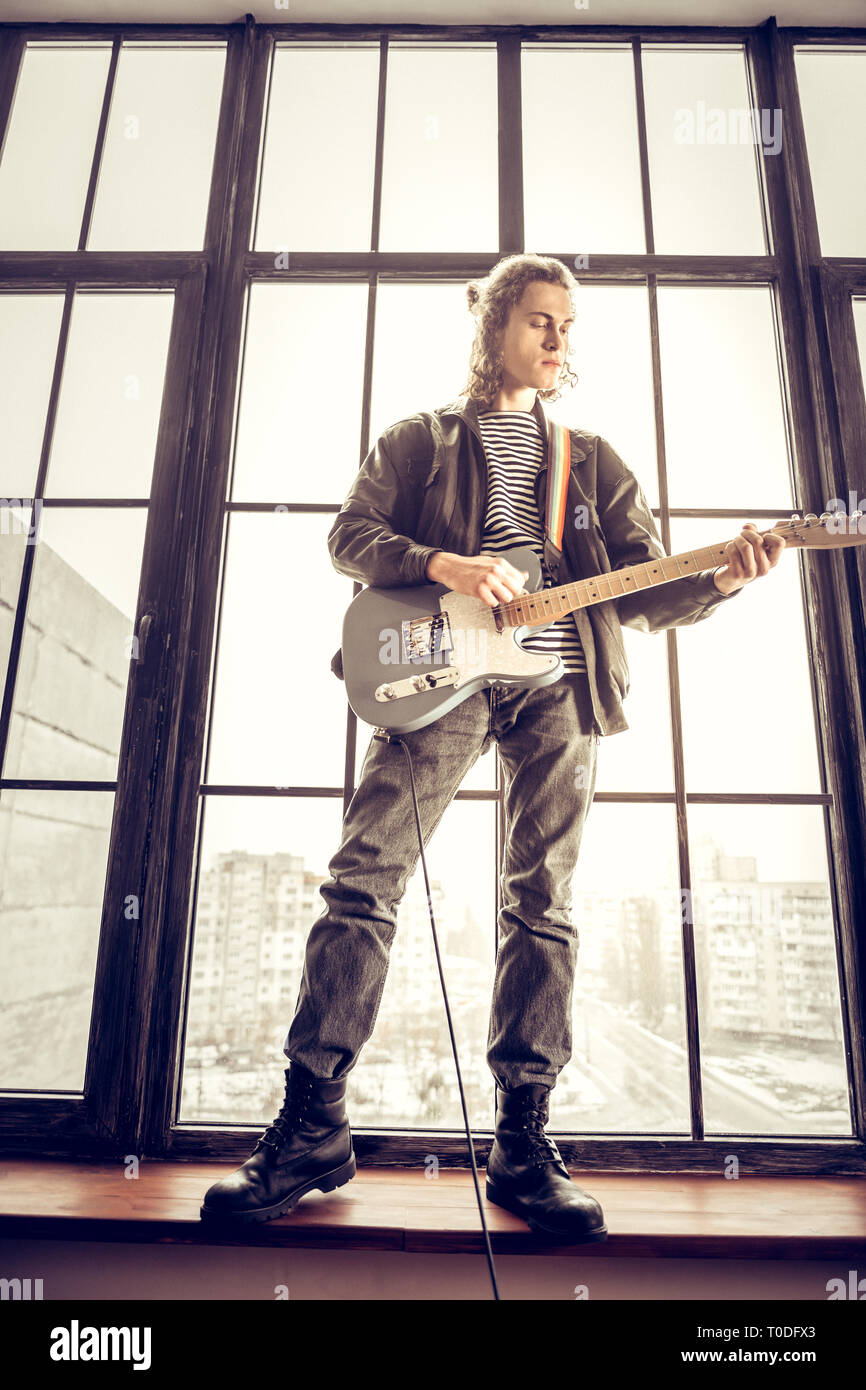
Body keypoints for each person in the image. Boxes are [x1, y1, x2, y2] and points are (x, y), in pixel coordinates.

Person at [201, 253, 786, 1238]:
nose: (559, 338)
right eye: (540, 319)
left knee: (541, 901)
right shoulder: (420, 441)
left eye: (567, 324)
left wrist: (720, 578)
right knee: (363, 877)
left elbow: (641, 588)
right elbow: (349, 534)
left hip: (558, 687)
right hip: (443, 678)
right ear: (493, 327)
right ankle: (311, 1121)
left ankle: (520, 1139)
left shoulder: (593, 460)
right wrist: (442, 563)